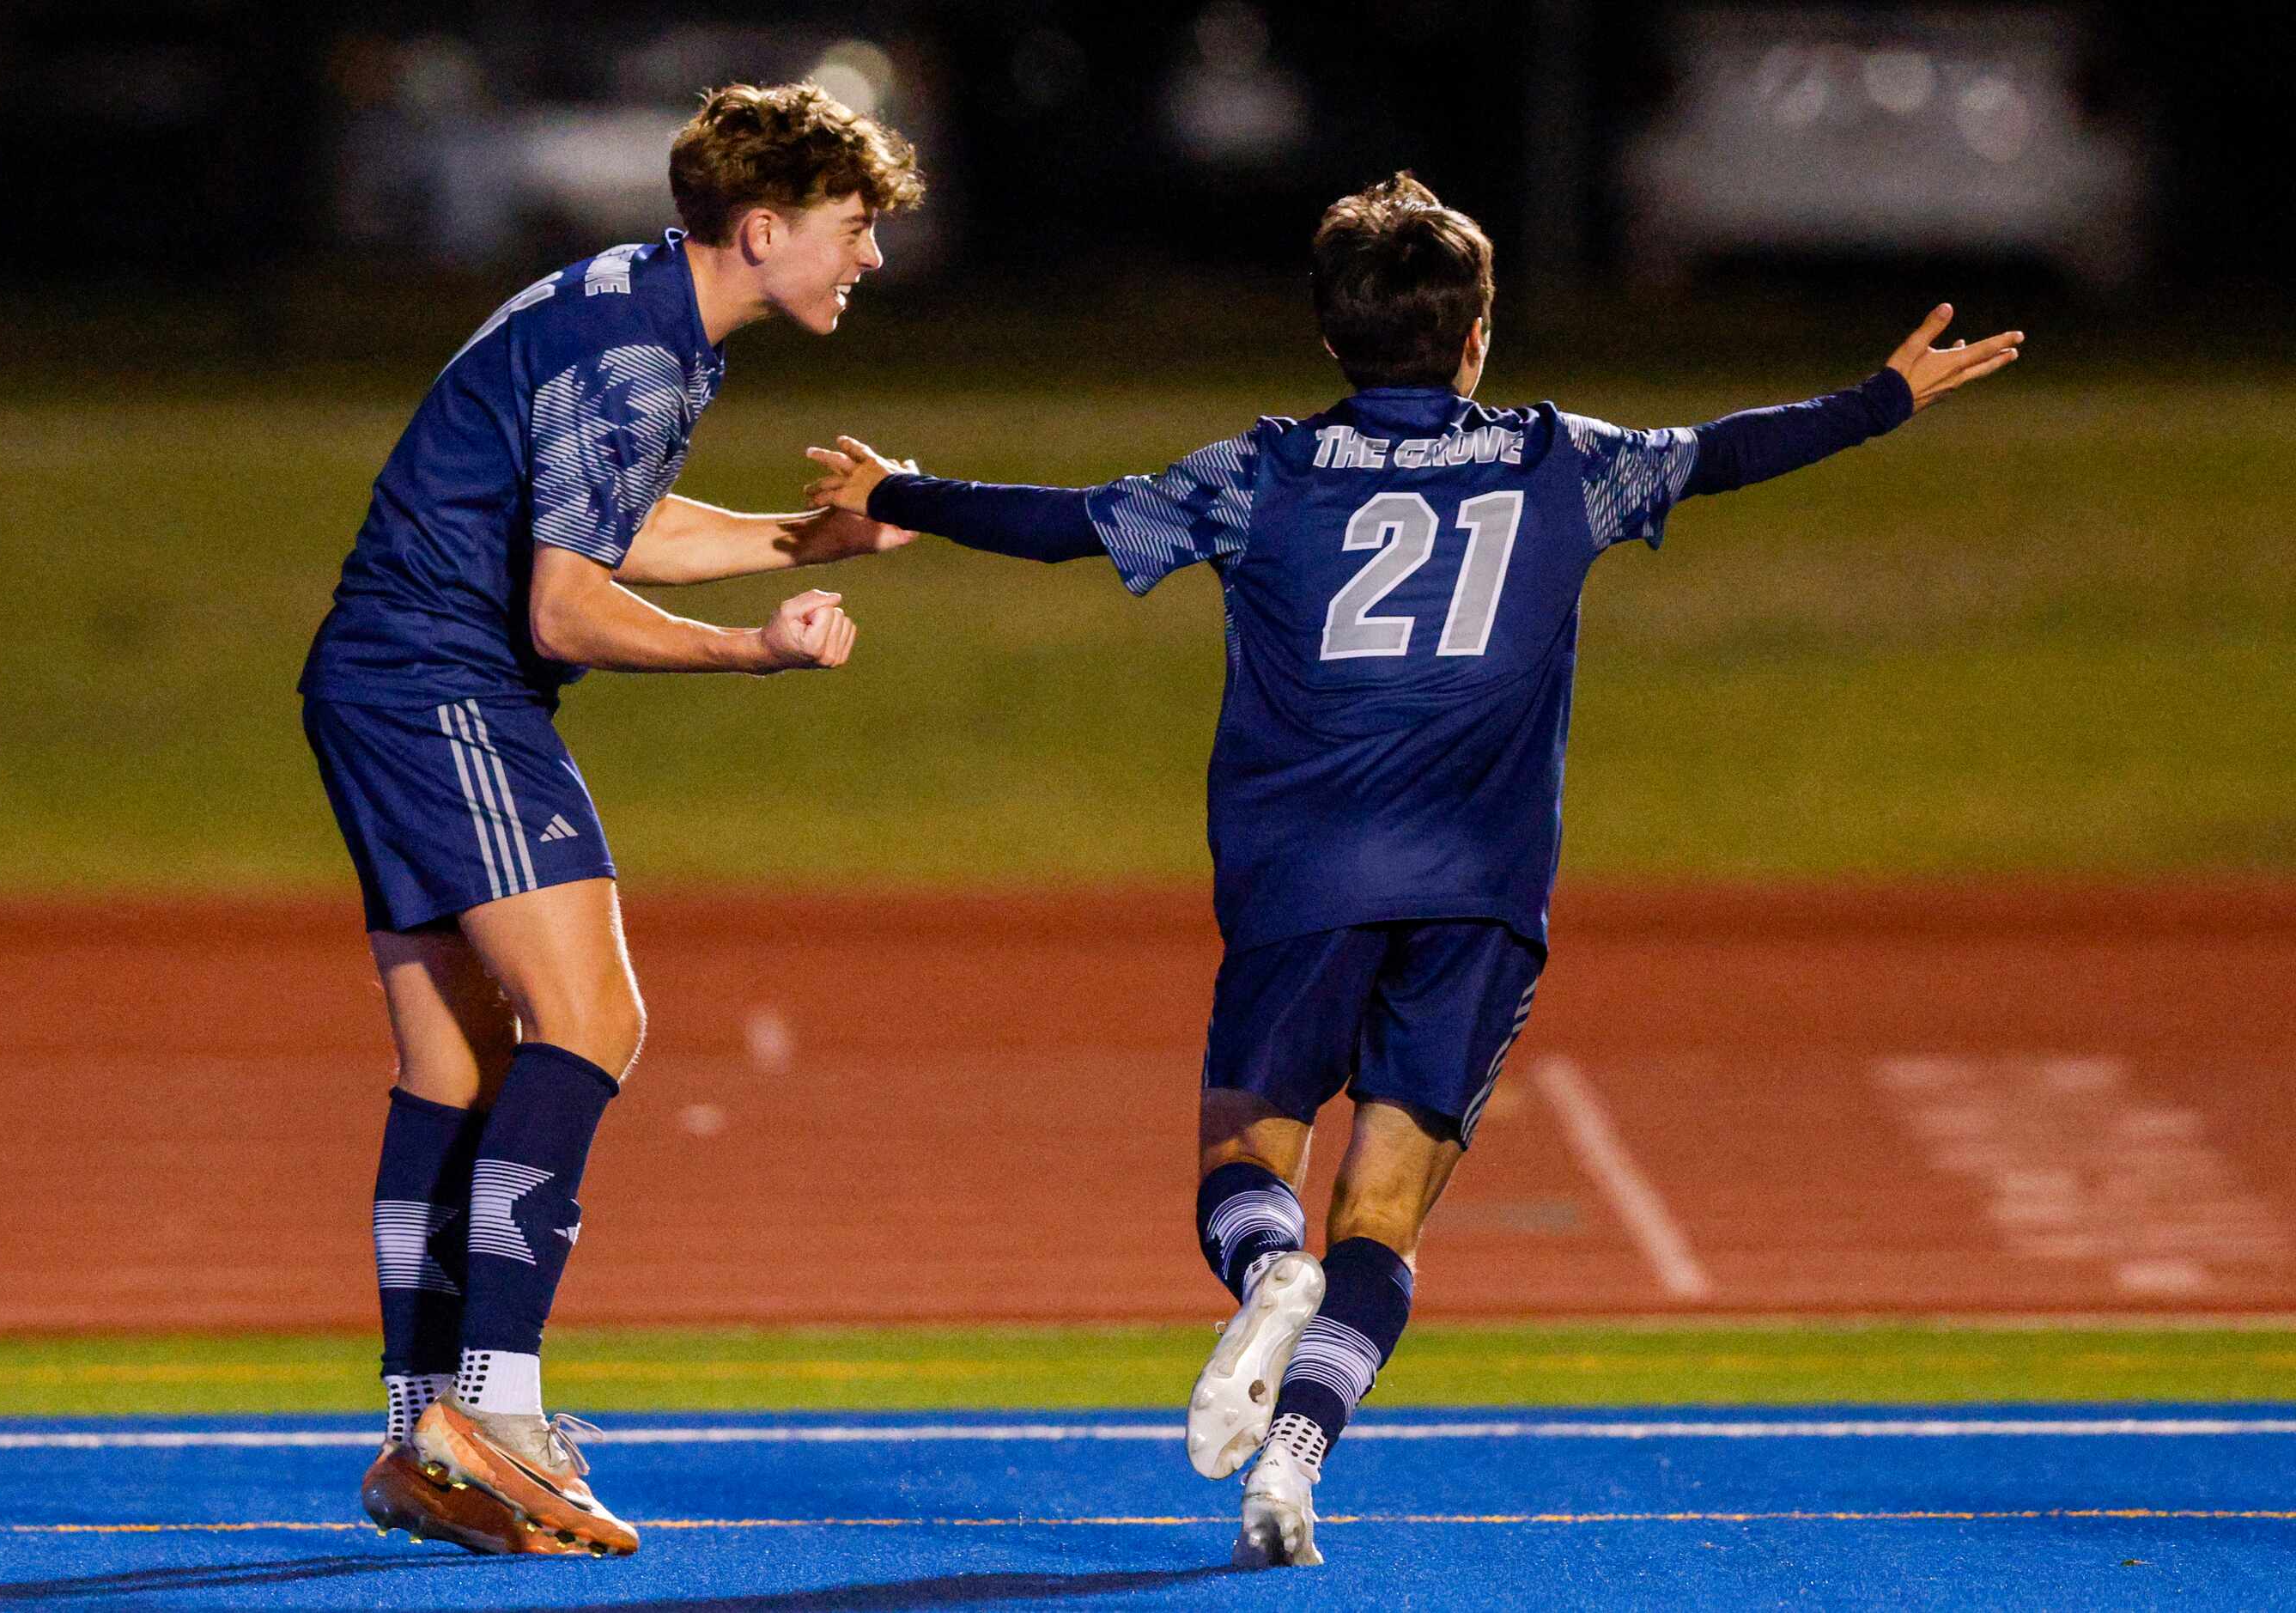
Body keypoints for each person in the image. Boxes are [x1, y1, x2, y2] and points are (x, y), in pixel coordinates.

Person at [802, 173, 2020, 1568]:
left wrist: (891, 489)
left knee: (1247, 1147)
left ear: (1331, 341)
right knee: (1384, 1214)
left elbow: (1069, 520)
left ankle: (1265, 1273)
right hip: (1480, 897)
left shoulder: (1260, 475)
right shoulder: (1563, 460)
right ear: (1477, 335)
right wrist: (1883, 397)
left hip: (1302, 878)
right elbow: (1726, 451)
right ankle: (1296, 1469)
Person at [298, 82, 923, 1557]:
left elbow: (600, 519)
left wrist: (799, 532)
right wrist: (752, 648)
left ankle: (419, 1433)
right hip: (442, 690)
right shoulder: (643, 346)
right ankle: (495, 1410)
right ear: (766, 228)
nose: (871, 258)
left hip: (380, 680)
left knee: (456, 1058)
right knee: (591, 1021)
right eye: (854, 228)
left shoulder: (637, 304)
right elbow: (566, 600)